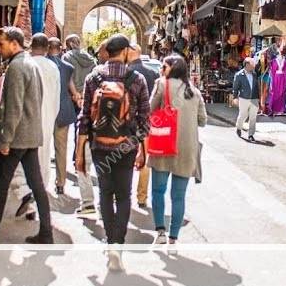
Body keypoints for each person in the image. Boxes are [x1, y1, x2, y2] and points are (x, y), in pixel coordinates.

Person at [0, 27, 53, 244]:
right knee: (37, 186)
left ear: (14, 43)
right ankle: (46, 233)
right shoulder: (30, 63)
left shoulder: (17, 66)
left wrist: (5, 139)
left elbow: (14, 107)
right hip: (30, 135)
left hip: (17, 138)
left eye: (2, 43)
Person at [76, 34, 149, 272]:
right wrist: (142, 151)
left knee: (105, 194)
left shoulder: (93, 78)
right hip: (126, 147)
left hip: (100, 146)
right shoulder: (136, 79)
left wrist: (79, 152)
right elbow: (144, 120)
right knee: (124, 195)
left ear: (107, 52)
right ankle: (118, 244)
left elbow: (84, 118)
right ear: (126, 51)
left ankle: (110, 242)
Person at [147, 54, 207, 248]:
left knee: (158, 190)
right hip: (187, 149)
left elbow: (150, 109)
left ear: (172, 68)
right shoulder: (194, 92)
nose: (161, 70)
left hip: (164, 144)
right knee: (179, 196)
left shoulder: (161, 84)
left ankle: (160, 232)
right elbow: (203, 121)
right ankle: (173, 237)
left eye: (163, 66)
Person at [16, 33, 61, 219]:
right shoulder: (53, 67)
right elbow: (57, 97)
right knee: (42, 161)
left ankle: (26, 193)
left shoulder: (24, 64)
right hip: (47, 119)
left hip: (26, 119)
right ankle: (35, 201)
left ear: (30, 46)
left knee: (21, 159)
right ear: (47, 48)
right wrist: (51, 117)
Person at [126, 42, 159, 209]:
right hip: (147, 122)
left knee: (126, 159)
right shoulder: (153, 73)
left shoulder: (126, 73)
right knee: (144, 159)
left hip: (129, 122)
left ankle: (123, 194)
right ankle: (142, 197)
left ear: (130, 53)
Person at [50, 37, 78, 197]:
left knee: (41, 149)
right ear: (60, 49)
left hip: (46, 111)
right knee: (61, 149)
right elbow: (70, 86)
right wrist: (76, 96)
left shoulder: (42, 64)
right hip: (63, 110)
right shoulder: (68, 67)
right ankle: (60, 183)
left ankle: (39, 183)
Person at [230, 57, 259, 141]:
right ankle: (239, 127)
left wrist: (259, 99)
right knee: (243, 115)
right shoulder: (239, 75)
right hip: (244, 98)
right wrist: (235, 97)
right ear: (247, 65)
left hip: (254, 98)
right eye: (252, 64)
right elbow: (235, 88)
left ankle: (251, 134)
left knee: (253, 117)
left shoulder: (254, 74)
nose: (254, 66)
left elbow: (257, 87)